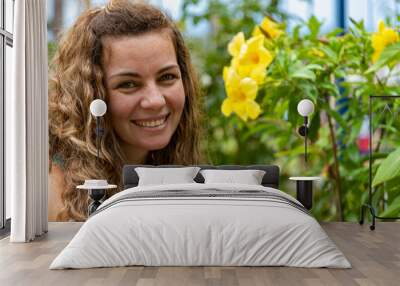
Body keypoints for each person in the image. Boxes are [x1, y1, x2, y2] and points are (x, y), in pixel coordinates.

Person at [48, 0, 204, 221]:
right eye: (128, 84)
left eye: (167, 77)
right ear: (91, 95)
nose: (155, 101)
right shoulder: (52, 196)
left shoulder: (176, 172)